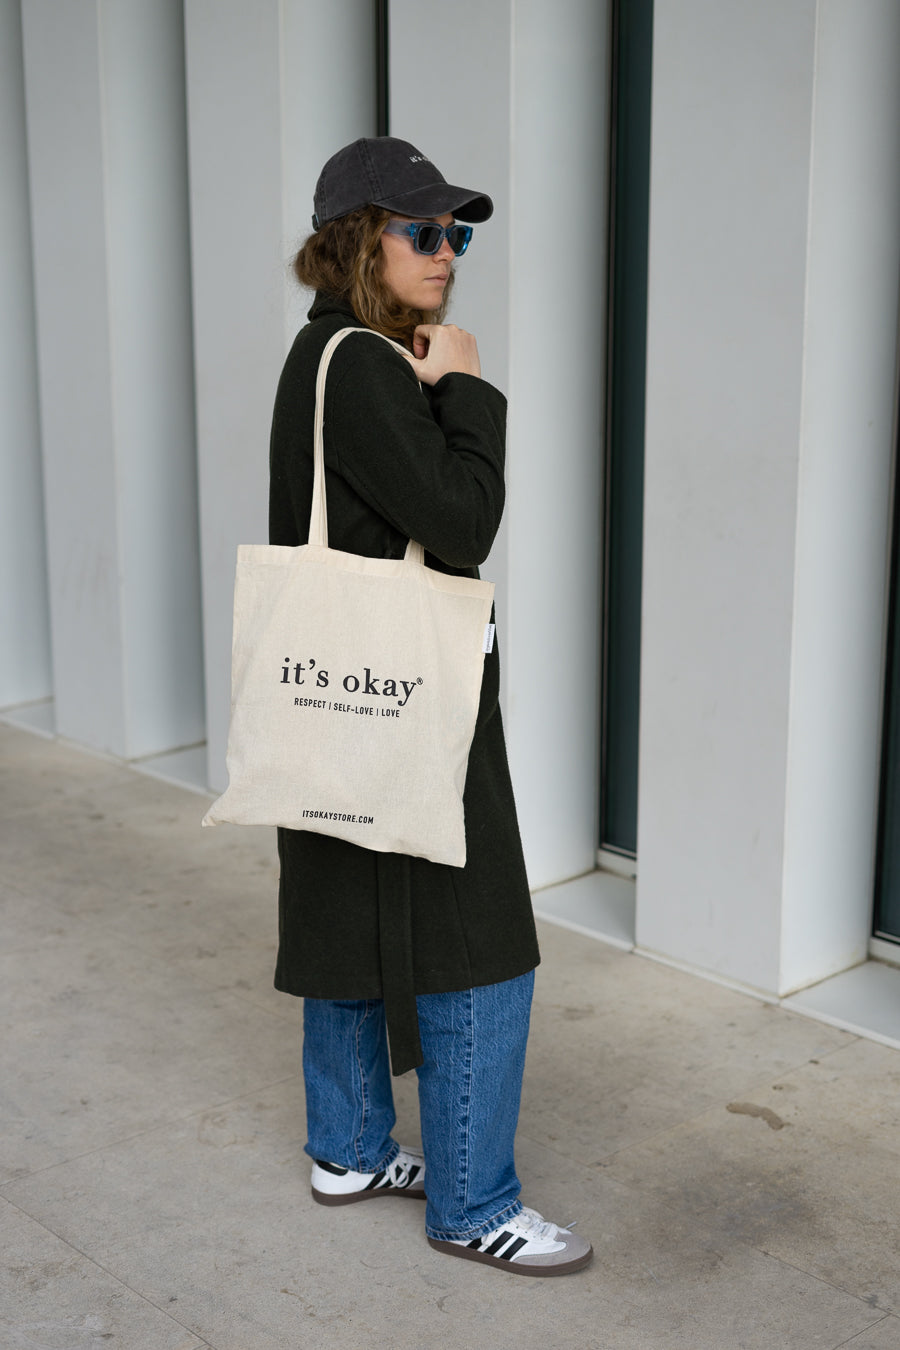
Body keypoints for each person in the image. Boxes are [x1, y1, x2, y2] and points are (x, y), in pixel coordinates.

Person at [268, 136, 592, 1277]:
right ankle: (472, 1198)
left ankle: (350, 1147)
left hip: (339, 693)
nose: (448, 253)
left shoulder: (321, 357)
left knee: (345, 902)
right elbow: (459, 521)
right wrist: (466, 385)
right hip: (406, 696)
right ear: (358, 238)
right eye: (424, 232)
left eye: (456, 234)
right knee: (481, 938)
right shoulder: (363, 365)